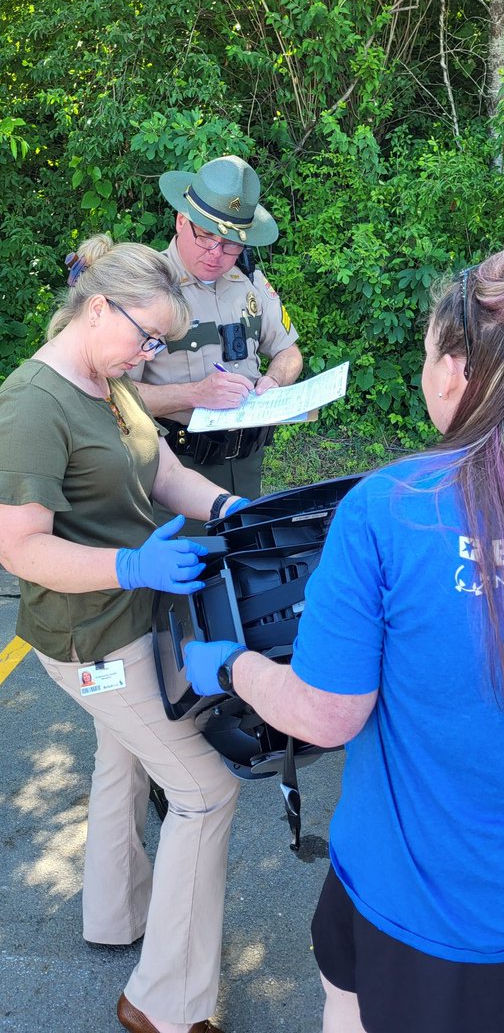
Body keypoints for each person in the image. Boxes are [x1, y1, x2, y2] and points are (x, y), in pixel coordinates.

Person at [185, 247, 504, 1033]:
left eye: (427, 352)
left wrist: (231, 665)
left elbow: (325, 714)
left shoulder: (390, 510)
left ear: (453, 368)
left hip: (412, 900)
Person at [0, 233, 251, 1033]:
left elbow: (160, 470)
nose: (151, 353)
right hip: (89, 636)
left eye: (161, 342)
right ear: (97, 306)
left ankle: (117, 916)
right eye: (145, 336)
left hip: (134, 617)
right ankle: (161, 1004)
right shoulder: (33, 405)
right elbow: (19, 547)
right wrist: (129, 570)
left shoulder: (107, 377)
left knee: (125, 753)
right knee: (205, 792)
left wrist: (225, 509)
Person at [128, 155, 302, 530]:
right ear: (180, 220)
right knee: (183, 582)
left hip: (247, 466)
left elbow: (289, 351)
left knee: (240, 571)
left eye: (230, 245)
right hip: (174, 472)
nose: (216, 254)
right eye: (206, 236)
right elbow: (115, 396)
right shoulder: (147, 289)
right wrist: (194, 394)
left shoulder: (250, 282)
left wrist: (276, 379)